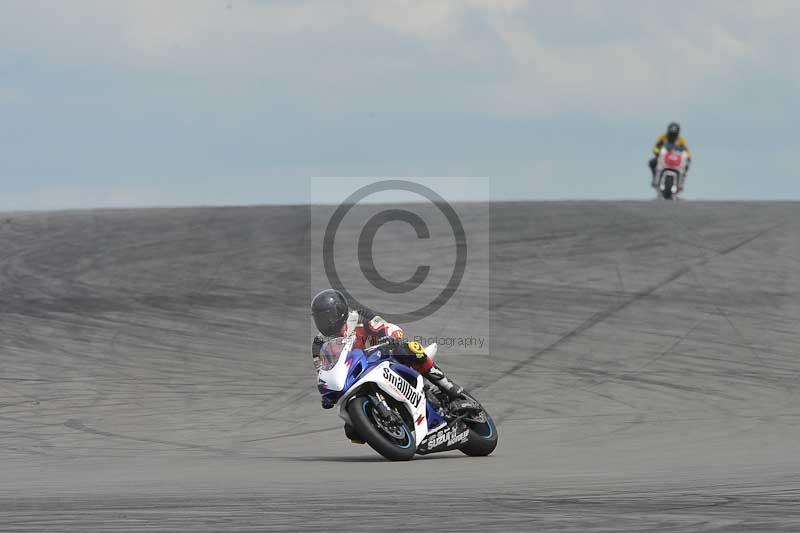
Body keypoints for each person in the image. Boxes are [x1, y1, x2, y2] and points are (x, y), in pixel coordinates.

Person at [310, 289, 464, 412]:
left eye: (327, 317)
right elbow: (324, 372)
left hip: (381, 358)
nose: (325, 322)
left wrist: (390, 337)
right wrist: (327, 394)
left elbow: (387, 327)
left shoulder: (360, 317)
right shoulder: (319, 343)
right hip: (355, 376)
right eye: (320, 318)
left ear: (340, 311)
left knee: (410, 347)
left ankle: (448, 386)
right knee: (351, 430)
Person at [649, 122, 691, 188]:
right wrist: (657, 152)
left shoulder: (681, 140)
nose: (672, 136)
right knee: (652, 162)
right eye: (671, 134)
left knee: (686, 166)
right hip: (663, 157)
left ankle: (681, 181)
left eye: (674, 134)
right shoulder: (663, 137)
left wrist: (688, 156)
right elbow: (656, 147)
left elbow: (686, 150)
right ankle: (655, 177)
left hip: (676, 158)